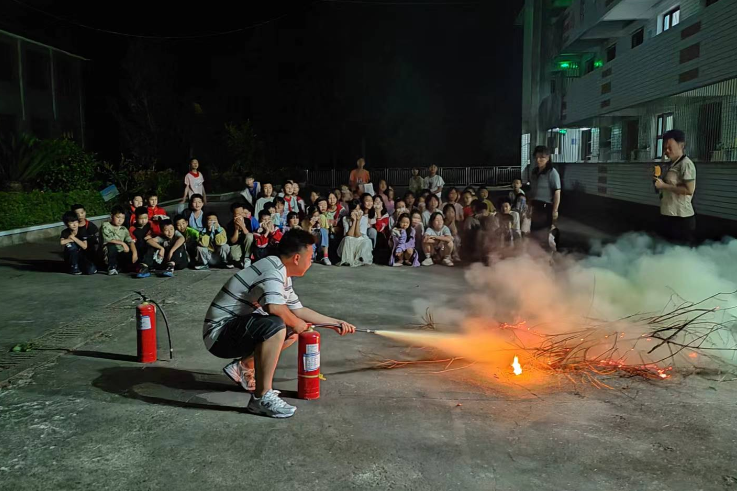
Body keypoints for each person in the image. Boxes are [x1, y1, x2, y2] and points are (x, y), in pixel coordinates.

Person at [203, 230, 356, 418]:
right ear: (298, 258)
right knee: (276, 324)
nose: (311, 261)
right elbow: (275, 308)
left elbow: (298, 311)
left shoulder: (282, 273)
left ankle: (243, 366)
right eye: (310, 256)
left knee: (290, 328)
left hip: (233, 329)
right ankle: (261, 398)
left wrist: (335, 322)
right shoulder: (272, 272)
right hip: (219, 335)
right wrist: (299, 323)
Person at [654, 129, 696, 244]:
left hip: (681, 219)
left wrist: (664, 185)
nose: (666, 151)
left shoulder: (686, 164)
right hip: (668, 215)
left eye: (669, 147)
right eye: (664, 148)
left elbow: (689, 190)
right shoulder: (671, 164)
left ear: (681, 145)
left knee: (679, 253)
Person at [528, 146, 561, 250]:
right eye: (536, 157)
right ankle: (535, 258)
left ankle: (546, 259)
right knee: (534, 234)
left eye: (541, 158)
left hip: (546, 207)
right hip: (536, 206)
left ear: (548, 158)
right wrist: (529, 206)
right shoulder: (534, 172)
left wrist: (555, 211)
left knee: (543, 235)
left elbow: (557, 192)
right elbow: (532, 190)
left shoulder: (552, 172)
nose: (538, 160)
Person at [101, 205, 137, 275]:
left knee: (131, 252)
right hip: (108, 252)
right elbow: (108, 239)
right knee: (111, 246)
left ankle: (122, 267)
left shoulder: (124, 229)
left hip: (120, 252)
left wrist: (135, 253)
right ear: (112, 216)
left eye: (123, 218)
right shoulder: (106, 225)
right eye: (118, 217)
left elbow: (130, 241)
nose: (120, 220)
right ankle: (111, 267)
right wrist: (123, 243)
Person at [60, 211, 96, 275]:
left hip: (81, 255)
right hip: (71, 256)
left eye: (76, 222)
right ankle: (74, 267)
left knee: (91, 270)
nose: (74, 224)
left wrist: (73, 238)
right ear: (66, 224)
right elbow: (62, 242)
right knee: (71, 245)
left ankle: (80, 266)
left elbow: (84, 246)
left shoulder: (82, 230)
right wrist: (70, 240)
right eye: (71, 223)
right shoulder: (65, 232)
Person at [338, 202, 373, 267]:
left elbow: (358, 234)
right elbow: (349, 234)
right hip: (350, 238)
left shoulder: (364, 219)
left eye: (359, 209)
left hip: (360, 237)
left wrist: (358, 221)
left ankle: (360, 259)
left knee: (366, 241)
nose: (357, 212)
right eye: (355, 210)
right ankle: (347, 260)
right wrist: (354, 221)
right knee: (348, 239)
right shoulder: (345, 218)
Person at [226, 202, 255, 269]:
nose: (241, 215)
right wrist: (236, 229)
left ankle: (247, 258)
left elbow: (249, 235)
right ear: (233, 214)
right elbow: (232, 241)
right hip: (236, 245)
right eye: (238, 214)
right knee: (234, 256)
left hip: (246, 244)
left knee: (250, 236)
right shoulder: (230, 224)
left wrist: (242, 226)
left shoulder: (247, 221)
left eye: (242, 213)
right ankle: (239, 261)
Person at [129, 206, 153, 271]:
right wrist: (134, 253)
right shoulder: (132, 229)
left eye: (145, 218)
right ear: (136, 218)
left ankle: (146, 265)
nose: (143, 221)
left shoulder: (150, 225)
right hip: (138, 249)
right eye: (141, 218)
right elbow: (131, 242)